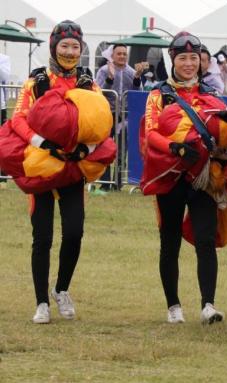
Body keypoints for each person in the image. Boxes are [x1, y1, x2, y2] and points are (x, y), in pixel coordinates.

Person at [6, 20, 115, 324]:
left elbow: (101, 123)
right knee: (42, 237)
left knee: (75, 231)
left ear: (81, 50)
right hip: (42, 165)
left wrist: (86, 151)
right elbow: (18, 120)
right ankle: (41, 302)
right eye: (64, 45)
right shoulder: (36, 81)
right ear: (54, 47)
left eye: (75, 47)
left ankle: (61, 289)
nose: (69, 51)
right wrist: (43, 143)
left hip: (72, 168)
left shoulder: (88, 84)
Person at [141, 31, 227, 324]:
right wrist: (174, 147)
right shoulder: (158, 95)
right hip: (171, 176)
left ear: (201, 61)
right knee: (169, 240)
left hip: (203, 178)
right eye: (183, 58)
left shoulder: (212, 96)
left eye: (194, 58)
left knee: (205, 237)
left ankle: (208, 305)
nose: (189, 64)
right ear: (173, 60)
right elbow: (150, 133)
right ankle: (173, 306)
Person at [96, 44, 145, 193]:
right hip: (107, 113)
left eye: (124, 54)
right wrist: (110, 78)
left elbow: (138, 93)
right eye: (119, 54)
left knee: (121, 149)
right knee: (104, 147)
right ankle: (104, 183)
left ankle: (117, 184)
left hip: (124, 116)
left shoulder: (131, 71)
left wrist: (137, 78)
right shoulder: (104, 71)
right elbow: (98, 91)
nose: (122, 56)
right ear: (112, 55)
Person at [0, 53, 10, 185]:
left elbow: (4, 78)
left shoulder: (4, 58)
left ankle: (2, 177)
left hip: (0, 106)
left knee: (2, 142)